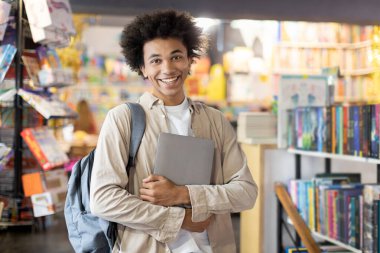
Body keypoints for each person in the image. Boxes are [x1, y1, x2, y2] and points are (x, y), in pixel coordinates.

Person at [90, 10, 258, 253]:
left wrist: (182, 194)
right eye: (156, 60)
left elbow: (246, 193)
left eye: (176, 57)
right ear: (142, 67)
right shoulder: (123, 119)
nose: (168, 68)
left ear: (189, 60)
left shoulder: (215, 121)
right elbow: (103, 200)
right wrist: (179, 220)